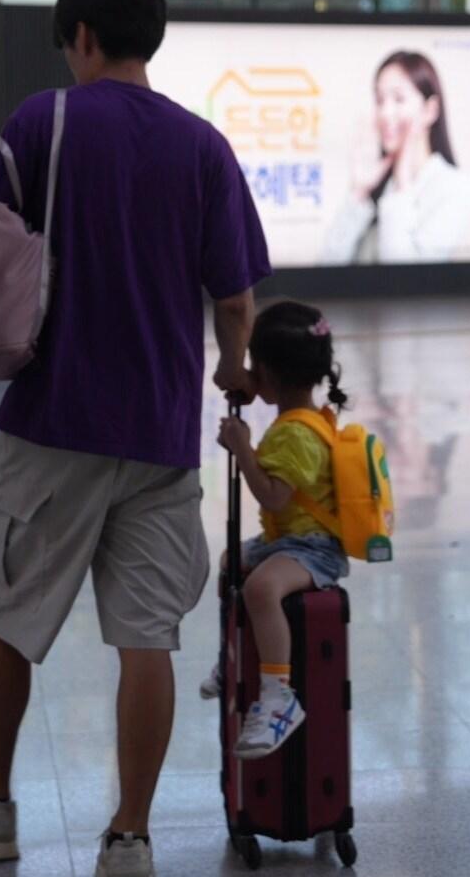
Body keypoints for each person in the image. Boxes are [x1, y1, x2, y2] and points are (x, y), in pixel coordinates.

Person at [0, 0, 271, 877]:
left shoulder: (45, 121)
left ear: (82, 37)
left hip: (49, 421)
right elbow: (236, 299)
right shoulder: (202, 145)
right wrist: (233, 368)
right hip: (160, 435)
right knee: (145, 638)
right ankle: (129, 833)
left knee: (9, 616)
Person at [200, 301, 351, 758]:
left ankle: (279, 695)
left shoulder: (295, 434)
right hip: (287, 540)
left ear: (268, 370)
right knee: (232, 562)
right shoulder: (303, 419)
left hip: (314, 548)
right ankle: (236, 654)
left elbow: (274, 498)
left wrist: (242, 447)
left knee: (261, 589)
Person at [322, 50, 470, 264]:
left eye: (399, 99)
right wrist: (358, 193)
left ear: (430, 110)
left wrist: (403, 184)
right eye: (379, 100)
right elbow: (327, 267)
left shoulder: (455, 187)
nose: (385, 113)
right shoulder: (378, 183)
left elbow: (407, 280)